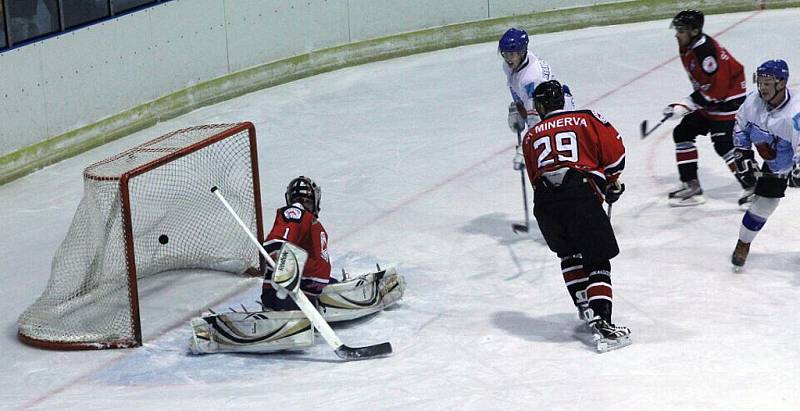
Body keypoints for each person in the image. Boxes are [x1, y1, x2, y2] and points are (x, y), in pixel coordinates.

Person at [520, 80, 630, 352]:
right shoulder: (586, 118)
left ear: (541, 106)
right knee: (597, 258)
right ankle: (603, 322)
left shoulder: (531, 135)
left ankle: (584, 305)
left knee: (569, 254)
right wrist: (609, 183)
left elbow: (535, 175)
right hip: (579, 195)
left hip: (545, 202)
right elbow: (616, 156)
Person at [662, 10, 754, 207]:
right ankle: (693, 188)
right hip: (713, 100)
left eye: (681, 30)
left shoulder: (705, 52)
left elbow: (718, 90)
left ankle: (754, 188)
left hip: (729, 100)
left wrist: (686, 104)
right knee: (683, 132)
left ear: (694, 31)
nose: (677, 34)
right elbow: (706, 86)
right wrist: (684, 104)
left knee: (724, 143)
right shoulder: (688, 46)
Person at [730, 60, 800, 269]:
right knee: (763, 204)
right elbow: (740, 126)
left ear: (781, 83)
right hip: (777, 164)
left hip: (793, 159)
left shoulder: (794, 115)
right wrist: (743, 153)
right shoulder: (753, 102)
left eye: (767, 83)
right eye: (759, 82)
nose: (762, 88)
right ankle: (743, 243)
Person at [498, 27, 575, 171]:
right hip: (543, 112)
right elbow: (517, 92)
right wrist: (519, 107)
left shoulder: (532, 77)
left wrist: (524, 150)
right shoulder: (510, 66)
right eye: (505, 54)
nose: (508, 58)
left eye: (512, 54)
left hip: (560, 117)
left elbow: (537, 122)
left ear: (522, 52)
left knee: (558, 166)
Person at [260, 176, 333, 310]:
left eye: (307, 202)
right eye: (299, 201)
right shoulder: (295, 214)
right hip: (285, 294)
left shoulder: (309, 221)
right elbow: (275, 245)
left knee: (337, 287)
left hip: (308, 287)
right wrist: (282, 262)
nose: (302, 205)